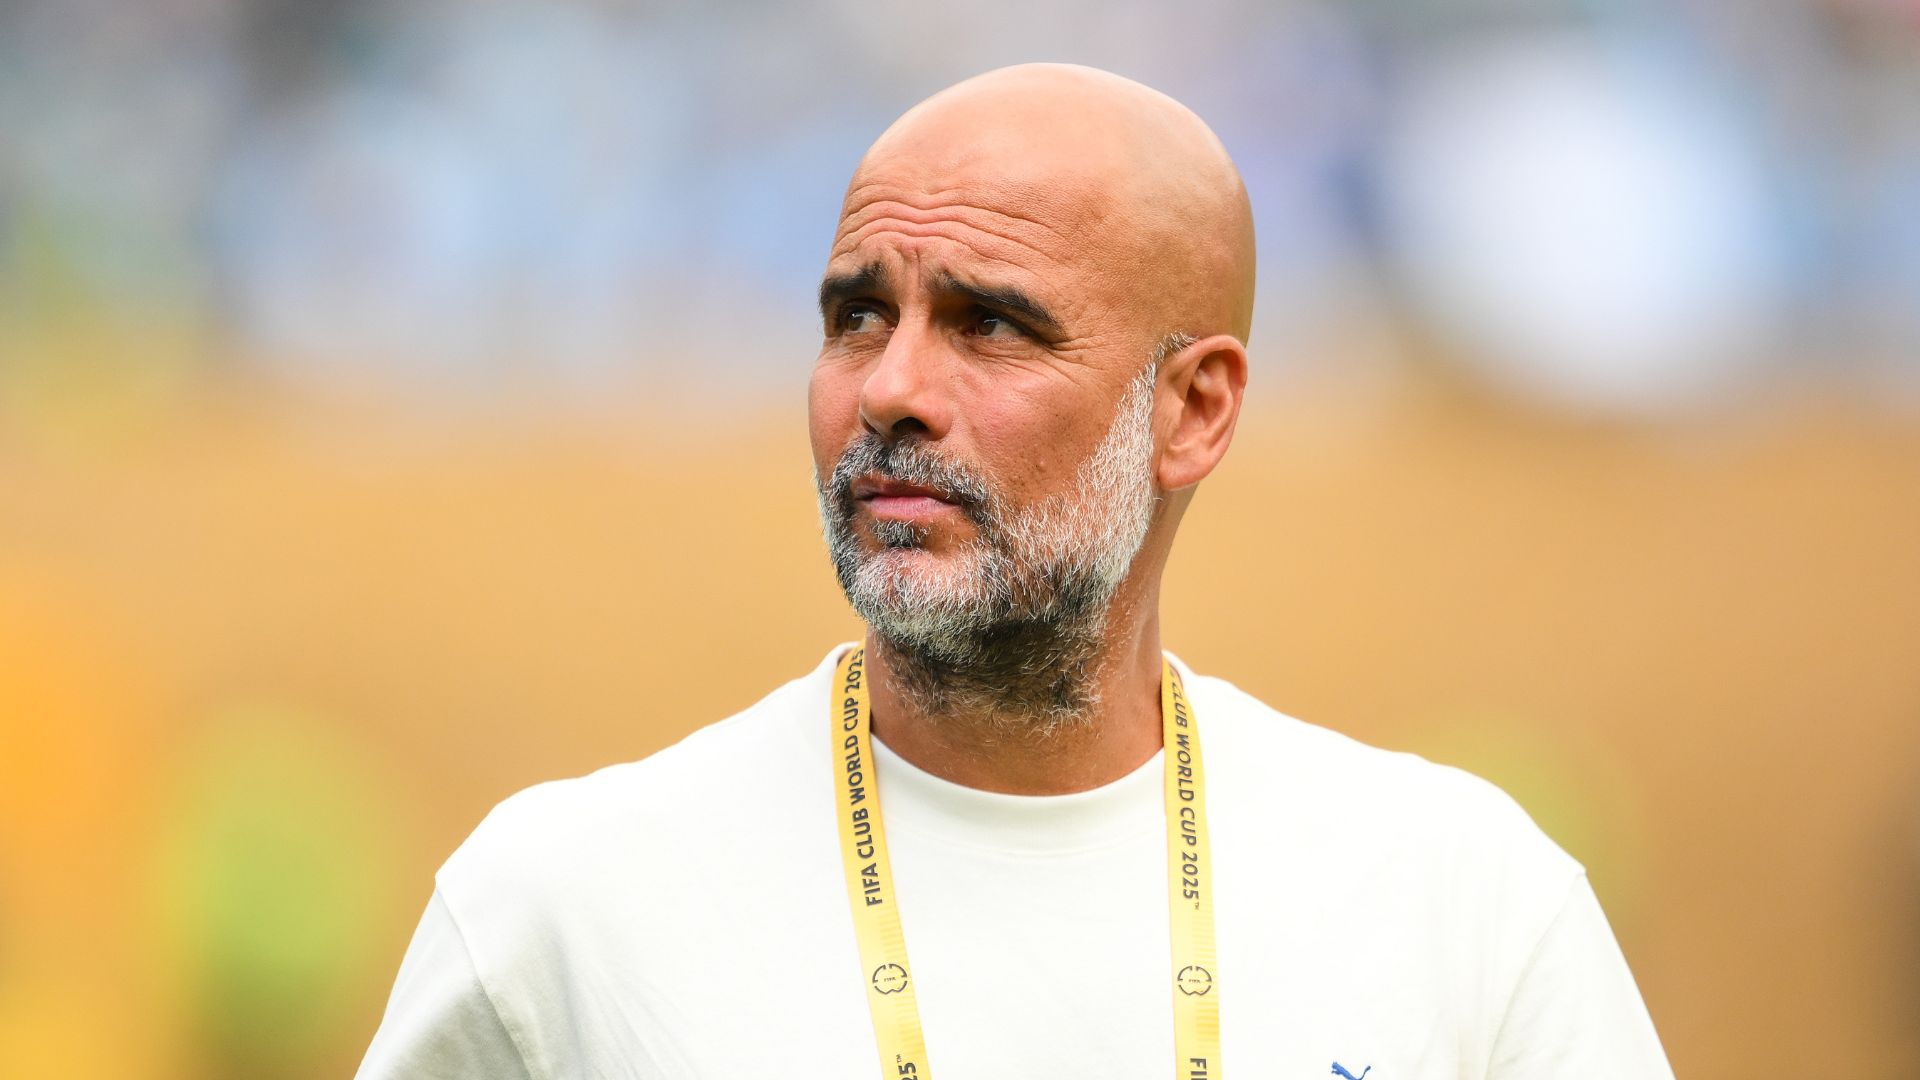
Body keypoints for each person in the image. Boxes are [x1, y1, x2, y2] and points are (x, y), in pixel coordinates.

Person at [356, 64, 1674, 1079]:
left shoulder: (1466, 909)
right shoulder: (563, 913)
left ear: (1193, 410)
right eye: (857, 313)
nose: (889, 389)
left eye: (990, 324)